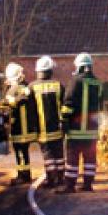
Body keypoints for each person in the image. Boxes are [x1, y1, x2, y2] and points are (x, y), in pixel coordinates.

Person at [58, 53, 103, 194]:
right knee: (90, 158)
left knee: (72, 158)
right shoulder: (98, 83)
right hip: (92, 131)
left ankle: (70, 186)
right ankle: (88, 185)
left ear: (79, 66)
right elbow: (100, 107)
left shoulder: (75, 81)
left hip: (76, 130)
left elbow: (68, 104)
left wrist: (64, 122)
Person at [29, 55, 65, 188]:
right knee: (59, 154)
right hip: (57, 128)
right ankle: (60, 178)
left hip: (42, 129)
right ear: (50, 70)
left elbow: (30, 110)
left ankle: (51, 179)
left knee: (48, 154)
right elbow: (64, 106)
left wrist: (33, 128)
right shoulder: (58, 85)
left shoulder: (32, 87)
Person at [3, 62, 38, 185]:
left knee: (20, 153)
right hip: (27, 127)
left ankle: (23, 176)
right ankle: (24, 174)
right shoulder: (27, 88)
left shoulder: (14, 90)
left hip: (19, 128)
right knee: (23, 152)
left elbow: (9, 103)